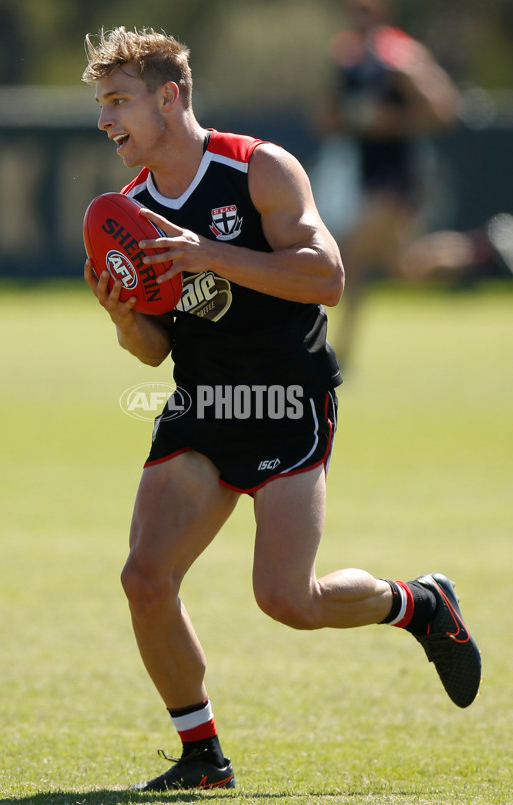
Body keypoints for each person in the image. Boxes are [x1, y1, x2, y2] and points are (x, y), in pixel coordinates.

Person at [81, 26, 481, 792]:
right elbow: (155, 351)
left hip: (287, 401)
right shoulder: (129, 208)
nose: (107, 119)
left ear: (170, 97)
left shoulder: (258, 166)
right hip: (203, 403)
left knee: (287, 599)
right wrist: (123, 317)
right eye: (102, 104)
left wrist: (207, 252)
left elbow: (326, 277)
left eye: (119, 101)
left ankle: (420, 602)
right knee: (145, 578)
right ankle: (203, 758)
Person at [313, 0, 467, 366]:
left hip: (398, 179)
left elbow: (445, 109)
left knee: (351, 255)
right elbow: (325, 118)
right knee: (406, 269)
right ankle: (479, 250)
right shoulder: (348, 58)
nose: (358, 15)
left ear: (383, 11)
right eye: (353, 9)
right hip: (367, 179)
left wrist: (393, 121)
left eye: (365, 8)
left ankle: (337, 353)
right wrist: (346, 118)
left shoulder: (400, 55)